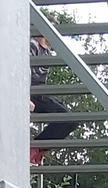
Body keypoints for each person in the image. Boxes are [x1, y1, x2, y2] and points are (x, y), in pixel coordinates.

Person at [29, 34, 83, 165]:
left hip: (40, 92)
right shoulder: (32, 45)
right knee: (66, 118)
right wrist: (25, 97)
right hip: (31, 91)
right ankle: (35, 148)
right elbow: (22, 71)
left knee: (71, 120)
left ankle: (39, 148)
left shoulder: (47, 52)